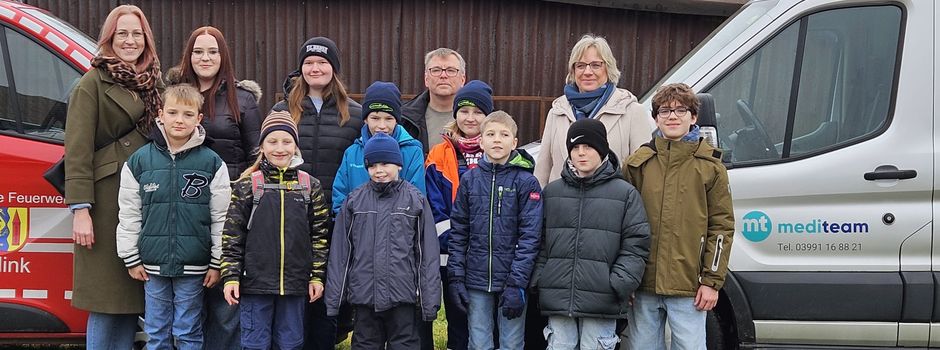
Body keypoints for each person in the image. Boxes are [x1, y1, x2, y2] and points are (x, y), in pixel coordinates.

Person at [63, 5, 162, 348]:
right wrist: (80, 210)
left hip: (147, 198)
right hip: (105, 202)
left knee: (131, 300)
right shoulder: (91, 83)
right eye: (123, 33)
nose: (130, 40)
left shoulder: (154, 82)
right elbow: (76, 151)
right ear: (110, 38)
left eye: (137, 34)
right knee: (108, 300)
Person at [168, 25, 263, 350]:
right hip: (183, 208)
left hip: (229, 210)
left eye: (212, 51)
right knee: (186, 299)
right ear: (188, 55)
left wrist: (243, 193)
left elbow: (257, 153)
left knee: (224, 299)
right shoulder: (174, 94)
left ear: (223, 56)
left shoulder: (244, 99)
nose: (205, 58)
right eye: (198, 51)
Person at [115, 84, 231, 350]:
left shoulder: (212, 163)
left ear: (199, 119)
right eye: (173, 112)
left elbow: (221, 217)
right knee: (156, 331)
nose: (180, 120)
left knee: (188, 330)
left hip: (195, 266)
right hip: (152, 266)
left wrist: (216, 262)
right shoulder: (139, 161)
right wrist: (130, 257)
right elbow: (130, 213)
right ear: (160, 115)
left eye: (188, 114)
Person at [623, 83, 735, 350]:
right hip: (643, 286)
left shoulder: (710, 168)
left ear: (693, 117)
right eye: (664, 111)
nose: (672, 116)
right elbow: (622, 226)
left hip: (690, 288)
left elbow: (721, 228)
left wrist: (711, 281)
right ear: (655, 118)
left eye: (680, 110)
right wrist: (626, 279)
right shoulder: (637, 164)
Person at [271, 36, 362, 349]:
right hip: (292, 218)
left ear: (333, 69)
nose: (315, 68)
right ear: (300, 69)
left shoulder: (355, 114)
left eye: (322, 62)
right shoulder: (283, 110)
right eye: (308, 62)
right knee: (297, 294)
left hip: (336, 219)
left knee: (329, 293)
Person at [531, 118, 650, 350]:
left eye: (588, 147)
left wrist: (618, 283)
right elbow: (540, 240)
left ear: (602, 149)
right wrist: (541, 277)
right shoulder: (553, 193)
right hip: (558, 295)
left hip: (603, 298)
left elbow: (636, 243)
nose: (581, 153)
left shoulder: (625, 194)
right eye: (575, 148)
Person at [220, 111, 331, 350]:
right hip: (255, 285)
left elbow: (320, 237)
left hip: (295, 285)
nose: (280, 148)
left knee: (291, 343)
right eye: (272, 141)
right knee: (254, 343)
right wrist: (230, 277)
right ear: (261, 146)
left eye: (286, 141)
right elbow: (232, 236)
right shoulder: (248, 185)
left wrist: (316, 276)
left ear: (296, 146)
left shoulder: (309, 186)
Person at [325, 133, 441, 350]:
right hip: (364, 297)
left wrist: (429, 300)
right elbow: (341, 254)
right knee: (365, 344)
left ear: (398, 164)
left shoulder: (415, 201)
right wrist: (335, 299)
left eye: (385, 163)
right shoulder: (354, 201)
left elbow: (427, 254)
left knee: (405, 345)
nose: (379, 170)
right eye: (372, 165)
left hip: (403, 296)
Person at [447, 111, 542, 350]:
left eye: (504, 134)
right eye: (490, 134)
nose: (497, 140)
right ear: (481, 141)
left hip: (512, 280)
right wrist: (456, 276)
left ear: (515, 142)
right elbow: (458, 231)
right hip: (476, 278)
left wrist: (517, 283)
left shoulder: (526, 182)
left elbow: (530, 236)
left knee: (511, 342)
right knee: (478, 342)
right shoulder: (470, 180)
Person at [424, 79, 494, 349]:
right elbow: (435, 204)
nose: (470, 117)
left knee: (485, 319)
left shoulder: (497, 151)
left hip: (487, 254)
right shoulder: (439, 153)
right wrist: (455, 241)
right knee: (457, 315)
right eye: (464, 111)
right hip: (450, 252)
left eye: (478, 112)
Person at [533, 34, 655, 187]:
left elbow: (642, 173)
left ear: (608, 68)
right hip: (561, 207)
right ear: (573, 71)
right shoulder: (557, 111)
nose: (587, 72)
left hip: (610, 207)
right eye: (581, 65)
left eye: (596, 65)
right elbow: (542, 170)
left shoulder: (632, 111)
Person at [332, 81, 426, 214]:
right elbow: (340, 198)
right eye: (375, 118)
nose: (382, 126)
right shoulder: (352, 153)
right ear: (365, 119)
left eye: (388, 118)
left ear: (397, 120)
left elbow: (417, 198)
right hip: (359, 229)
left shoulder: (412, 151)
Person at [401, 47, 468, 153]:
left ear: (462, 80)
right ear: (426, 79)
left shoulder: (480, 118)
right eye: (436, 70)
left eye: (451, 70)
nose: (443, 75)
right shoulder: (404, 119)